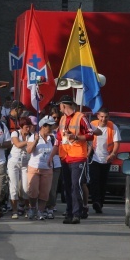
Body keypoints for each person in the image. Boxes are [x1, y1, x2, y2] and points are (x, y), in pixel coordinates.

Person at [56, 95, 99, 224]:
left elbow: (91, 134)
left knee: (76, 185)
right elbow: (59, 136)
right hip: (65, 157)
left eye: (60, 105)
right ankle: (69, 213)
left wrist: (76, 137)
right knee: (67, 186)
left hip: (78, 157)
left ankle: (77, 213)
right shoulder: (62, 119)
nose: (59, 108)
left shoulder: (81, 117)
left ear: (64, 105)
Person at [25, 116, 58, 220]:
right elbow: (29, 150)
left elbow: (57, 150)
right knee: (33, 190)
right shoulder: (34, 136)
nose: (52, 128)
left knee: (44, 192)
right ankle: (33, 208)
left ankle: (40, 211)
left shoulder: (52, 138)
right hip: (34, 167)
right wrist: (35, 141)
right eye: (50, 126)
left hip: (47, 169)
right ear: (43, 126)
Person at [89, 108, 121, 214]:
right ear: (98, 116)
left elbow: (117, 142)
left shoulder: (112, 127)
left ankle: (100, 203)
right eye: (102, 117)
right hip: (94, 158)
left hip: (106, 159)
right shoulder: (92, 125)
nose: (104, 119)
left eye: (106, 117)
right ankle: (96, 201)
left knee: (103, 182)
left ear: (109, 117)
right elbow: (87, 138)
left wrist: (112, 154)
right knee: (94, 181)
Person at [7, 116, 32, 219]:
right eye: (26, 126)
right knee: (14, 187)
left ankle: (27, 208)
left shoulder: (32, 135)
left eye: (30, 126)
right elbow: (17, 144)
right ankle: (14, 210)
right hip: (14, 162)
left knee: (26, 187)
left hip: (26, 163)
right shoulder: (15, 133)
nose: (28, 129)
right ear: (21, 127)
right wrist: (29, 142)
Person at [45, 108, 62, 218]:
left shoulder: (61, 131)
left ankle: (51, 207)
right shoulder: (44, 133)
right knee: (44, 188)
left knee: (52, 189)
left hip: (56, 163)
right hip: (44, 164)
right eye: (53, 117)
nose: (55, 120)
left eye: (57, 118)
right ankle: (43, 207)